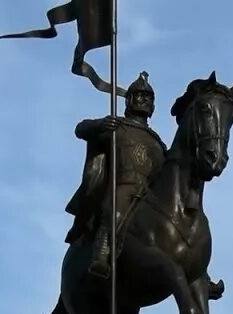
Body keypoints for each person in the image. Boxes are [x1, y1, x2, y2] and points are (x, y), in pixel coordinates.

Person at [65, 71, 167, 278]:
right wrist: (100, 124)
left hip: (151, 194)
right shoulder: (116, 126)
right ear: (129, 100)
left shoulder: (157, 141)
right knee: (117, 205)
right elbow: (80, 129)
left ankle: (196, 271)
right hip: (124, 185)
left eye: (149, 98)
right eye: (140, 96)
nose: (145, 100)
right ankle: (101, 252)